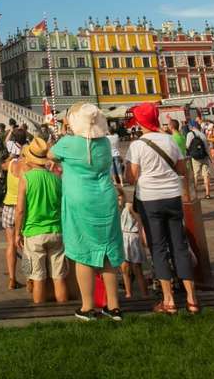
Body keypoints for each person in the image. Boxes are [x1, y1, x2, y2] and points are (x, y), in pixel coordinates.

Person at [124, 102, 199, 315]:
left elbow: (131, 177)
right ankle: (192, 299)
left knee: (158, 247)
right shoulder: (170, 140)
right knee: (179, 245)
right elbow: (182, 169)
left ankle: (169, 300)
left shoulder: (137, 145)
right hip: (172, 196)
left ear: (140, 122)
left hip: (150, 199)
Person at [51, 104, 122, 319]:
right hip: (105, 199)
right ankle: (113, 306)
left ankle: (87, 307)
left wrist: (66, 131)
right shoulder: (105, 143)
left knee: (83, 253)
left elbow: (49, 154)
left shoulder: (67, 144)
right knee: (108, 252)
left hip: (80, 200)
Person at [14, 138, 71, 307]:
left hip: (34, 233)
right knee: (59, 278)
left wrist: (18, 233)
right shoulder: (56, 179)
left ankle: (41, 315)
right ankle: (64, 312)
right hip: (56, 231)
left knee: (38, 278)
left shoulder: (27, 178)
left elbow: (20, 210)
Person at [1, 133, 26, 290]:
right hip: (22, 208)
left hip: (8, 206)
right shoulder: (28, 168)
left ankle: (12, 278)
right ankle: (31, 279)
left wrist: (11, 156)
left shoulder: (10, 165)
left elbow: (3, 165)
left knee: (11, 244)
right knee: (26, 245)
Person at [117, 188, 148, 298]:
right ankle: (128, 293)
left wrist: (142, 234)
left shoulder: (129, 206)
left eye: (119, 196)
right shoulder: (115, 208)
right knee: (124, 268)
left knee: (136, 268)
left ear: (123, 196)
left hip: (133, 237)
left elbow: (139, 220)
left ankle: (145, 294)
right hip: (123, 238)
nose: (118, 199)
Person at [185, 122, 214, 199]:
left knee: (195, 174)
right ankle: (208, 193)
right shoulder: (202, 134)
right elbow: (206, 147)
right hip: (204, 156)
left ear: (192, 127)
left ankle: (194, 193)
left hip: (195, 157)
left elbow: (187, 146)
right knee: (206, 175)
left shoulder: (190, 134)